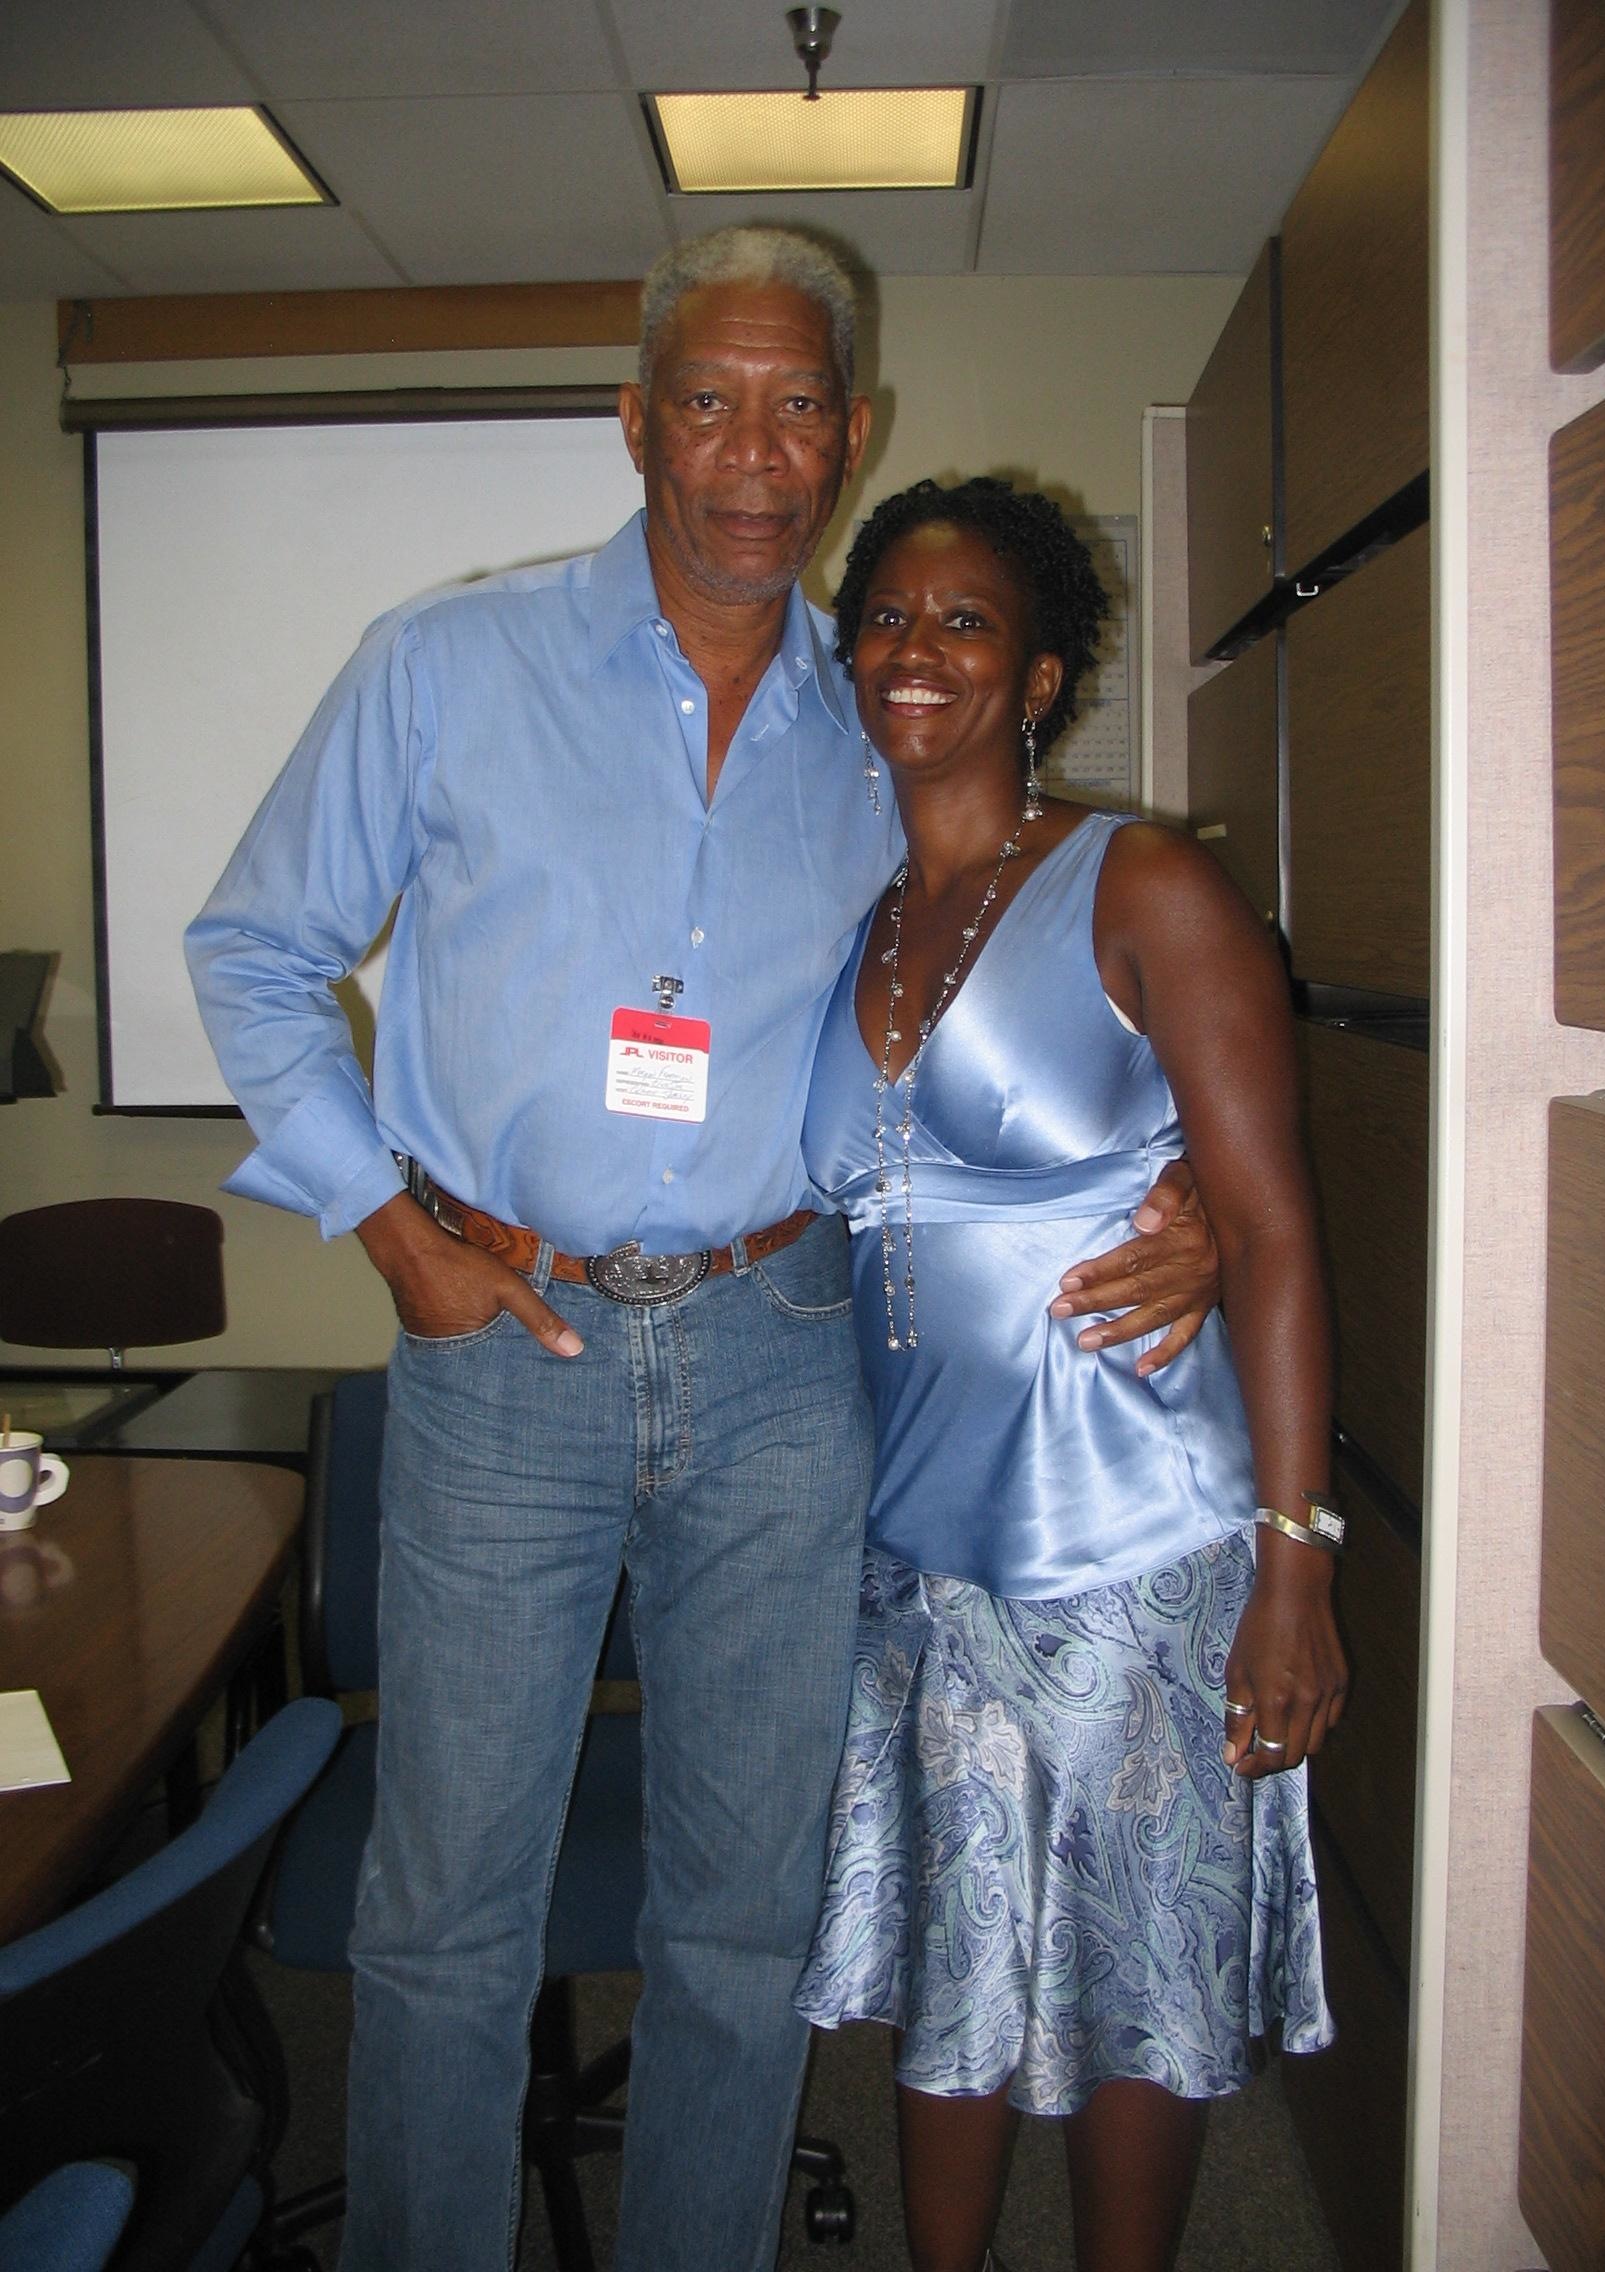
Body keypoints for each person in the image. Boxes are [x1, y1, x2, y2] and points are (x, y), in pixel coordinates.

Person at [186, 231, 1219, 2272]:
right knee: (447, 1910)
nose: (759, 450)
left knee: (743, 1909)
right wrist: (385, 1223)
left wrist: (1165, 1177)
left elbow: (1017, 961)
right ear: (642, 419)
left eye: (802, 403)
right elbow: (255, 948)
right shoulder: (446, 666)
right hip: (509, 1342)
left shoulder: (884, 708)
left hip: (784, 1351)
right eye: (715, 400)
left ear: (855, 431)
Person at [793, 478, 1346, 2272]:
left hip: (1137, 1554)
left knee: (1138, 1990)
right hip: (920, 1560)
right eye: (885, 617)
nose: (914, 652)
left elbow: (1267, 1232)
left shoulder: (1146, 882)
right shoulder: (855, 919)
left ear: (1038, 676)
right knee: (953, 1969)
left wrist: (1297, 1560)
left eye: (964, 624)